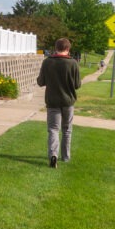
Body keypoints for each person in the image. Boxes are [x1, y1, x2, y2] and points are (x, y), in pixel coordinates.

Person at [36, 37, 81, 168]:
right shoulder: (73, 63)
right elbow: (77, 84)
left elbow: (40, 82)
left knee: (53, 129)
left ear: (56, 48)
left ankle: (53, 155)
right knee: (67, 130)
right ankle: (65, 156)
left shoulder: (47, 62)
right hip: (68, 101)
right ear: (68, 49)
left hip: (52, 101)